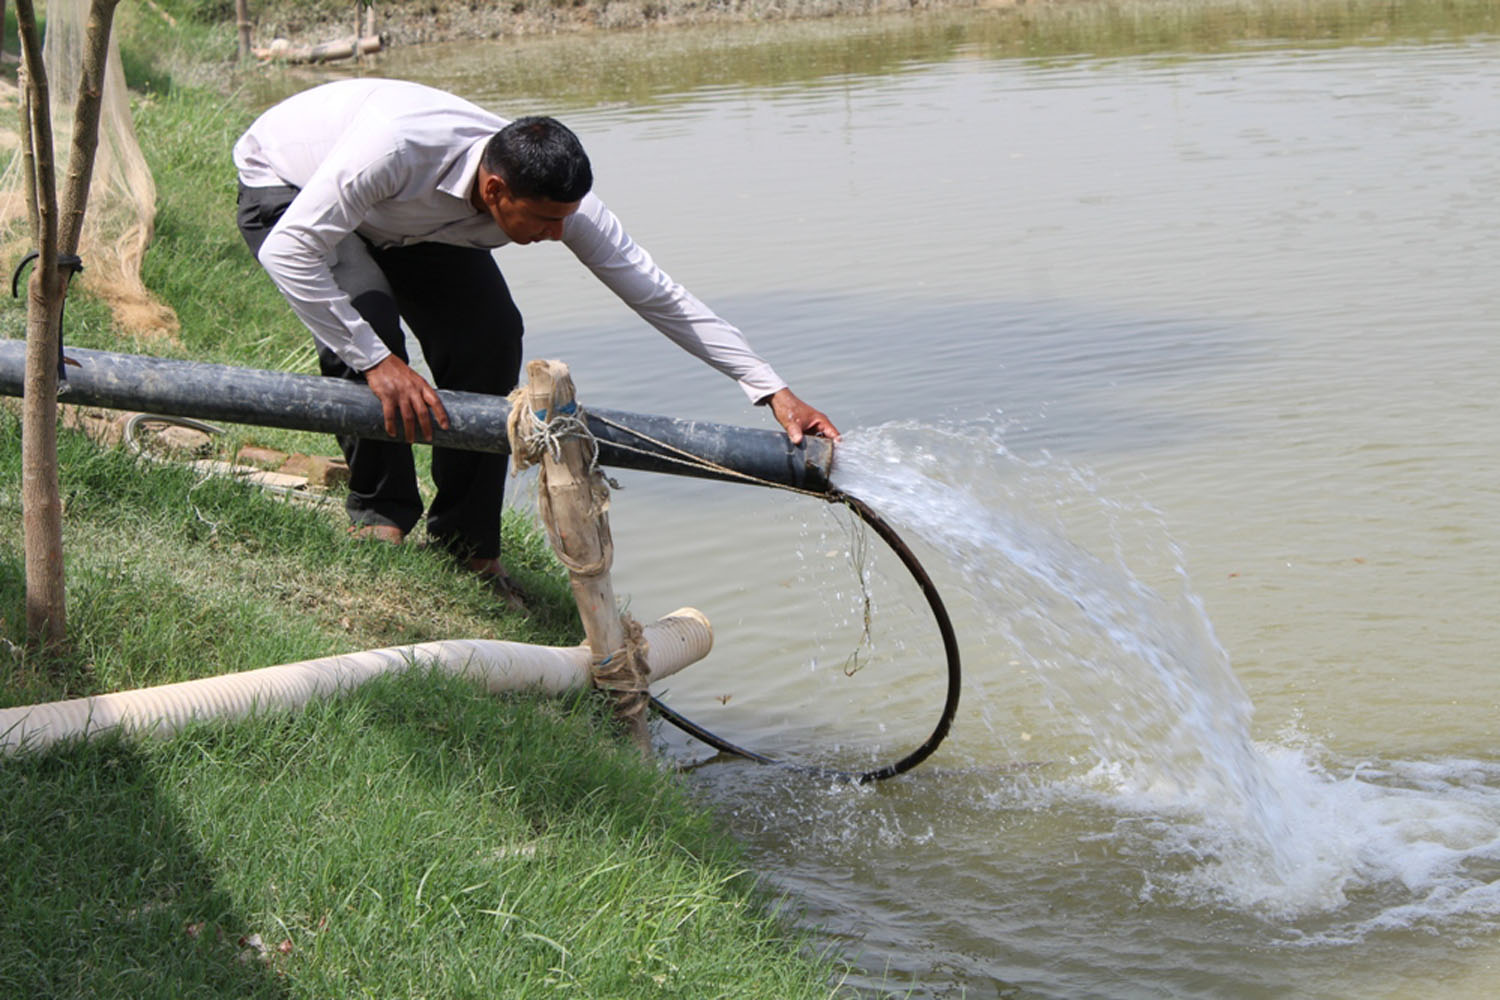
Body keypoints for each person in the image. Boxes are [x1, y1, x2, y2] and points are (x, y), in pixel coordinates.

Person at [233, 78, 838, 596]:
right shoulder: (395, 148)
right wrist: (378, 360)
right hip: (290, 185)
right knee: (365, 332)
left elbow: (659, 294)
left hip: (408, 221)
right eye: (546, 221)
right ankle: (379, 516)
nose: (558, 233)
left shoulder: (561, 203)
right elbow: (292, 252)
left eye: (566, 218)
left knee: (491, 335)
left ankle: (465, 546)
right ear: (496, 191)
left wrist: (770, 388)